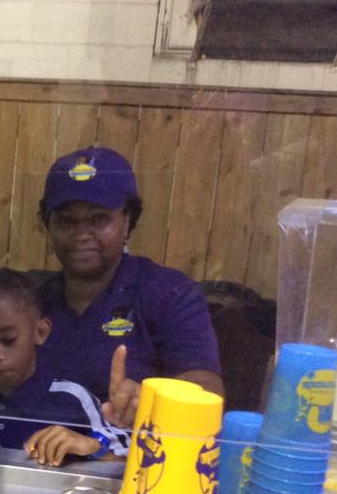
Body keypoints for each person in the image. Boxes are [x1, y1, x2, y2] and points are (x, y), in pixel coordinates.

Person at [35, 146, 224, 426]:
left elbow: (207, 391)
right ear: (48, 225)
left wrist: (151, 403)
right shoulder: (32, 301)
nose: (81, 234)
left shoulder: (169, 294)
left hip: (136, 464)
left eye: (99, 218)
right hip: (37, 462)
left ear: (128, 220)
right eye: (66, 221)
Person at [0, 268, 128, 467]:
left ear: (41, 331)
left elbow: (128, 468)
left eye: (8, 340)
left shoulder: (74, 400)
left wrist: (93, 448)